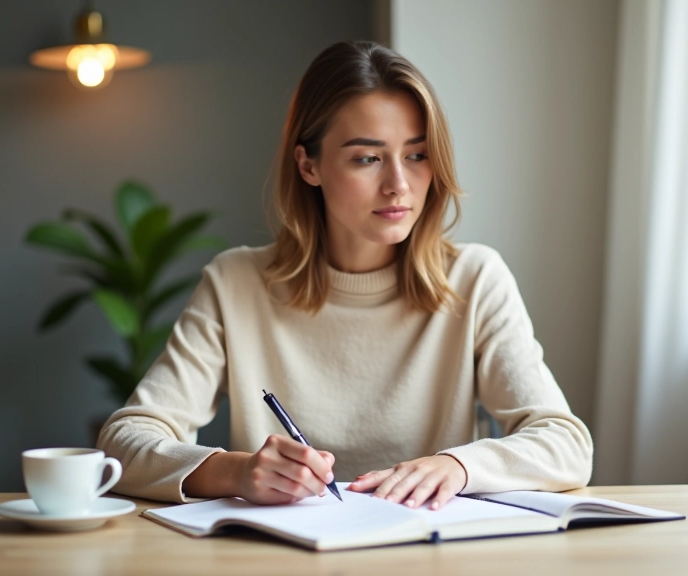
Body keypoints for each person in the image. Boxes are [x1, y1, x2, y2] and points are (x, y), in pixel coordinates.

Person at [97, 40, 592, 510]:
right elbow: (124, 442)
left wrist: (458, 466)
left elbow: (566, 444)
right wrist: (237, 473)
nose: (399, 184)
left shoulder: (475, 278)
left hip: (429, 550)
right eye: (367, 158)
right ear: (308, 165)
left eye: (417, 155)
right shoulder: (236, 283)